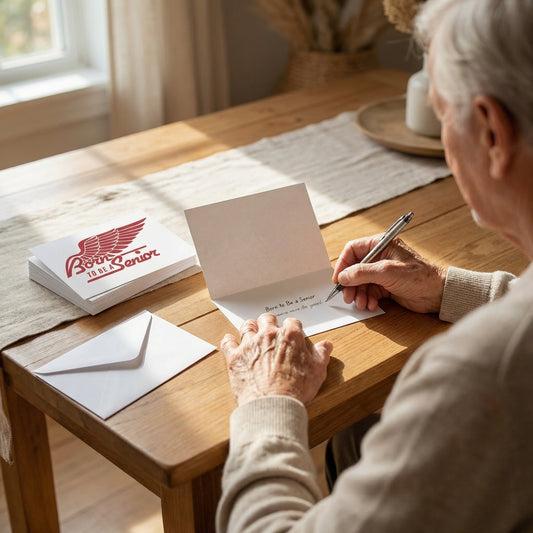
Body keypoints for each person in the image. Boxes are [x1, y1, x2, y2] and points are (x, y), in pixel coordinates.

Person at [216, 0, 533, 531]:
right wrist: (448, 288)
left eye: (440, 111)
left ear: (491, 131)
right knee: (355, 433)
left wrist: (266, 403)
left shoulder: (479, 373)